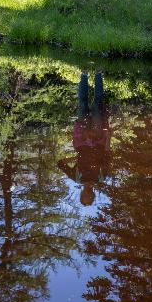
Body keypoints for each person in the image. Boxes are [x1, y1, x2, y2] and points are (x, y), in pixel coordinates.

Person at [58, 70, 111, 206]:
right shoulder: (101, 178)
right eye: (89, 196)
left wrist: (75, 158)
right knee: (98, 103)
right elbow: (107, 155)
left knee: (82, 103)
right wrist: (108, 135)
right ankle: (99, 73)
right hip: (98, 137)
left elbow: (60, 164)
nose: (87, 194)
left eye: (84, 196)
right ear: (92, 195)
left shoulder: (76, 178)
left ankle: (84, 74)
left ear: (82, 194)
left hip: (81, 139)